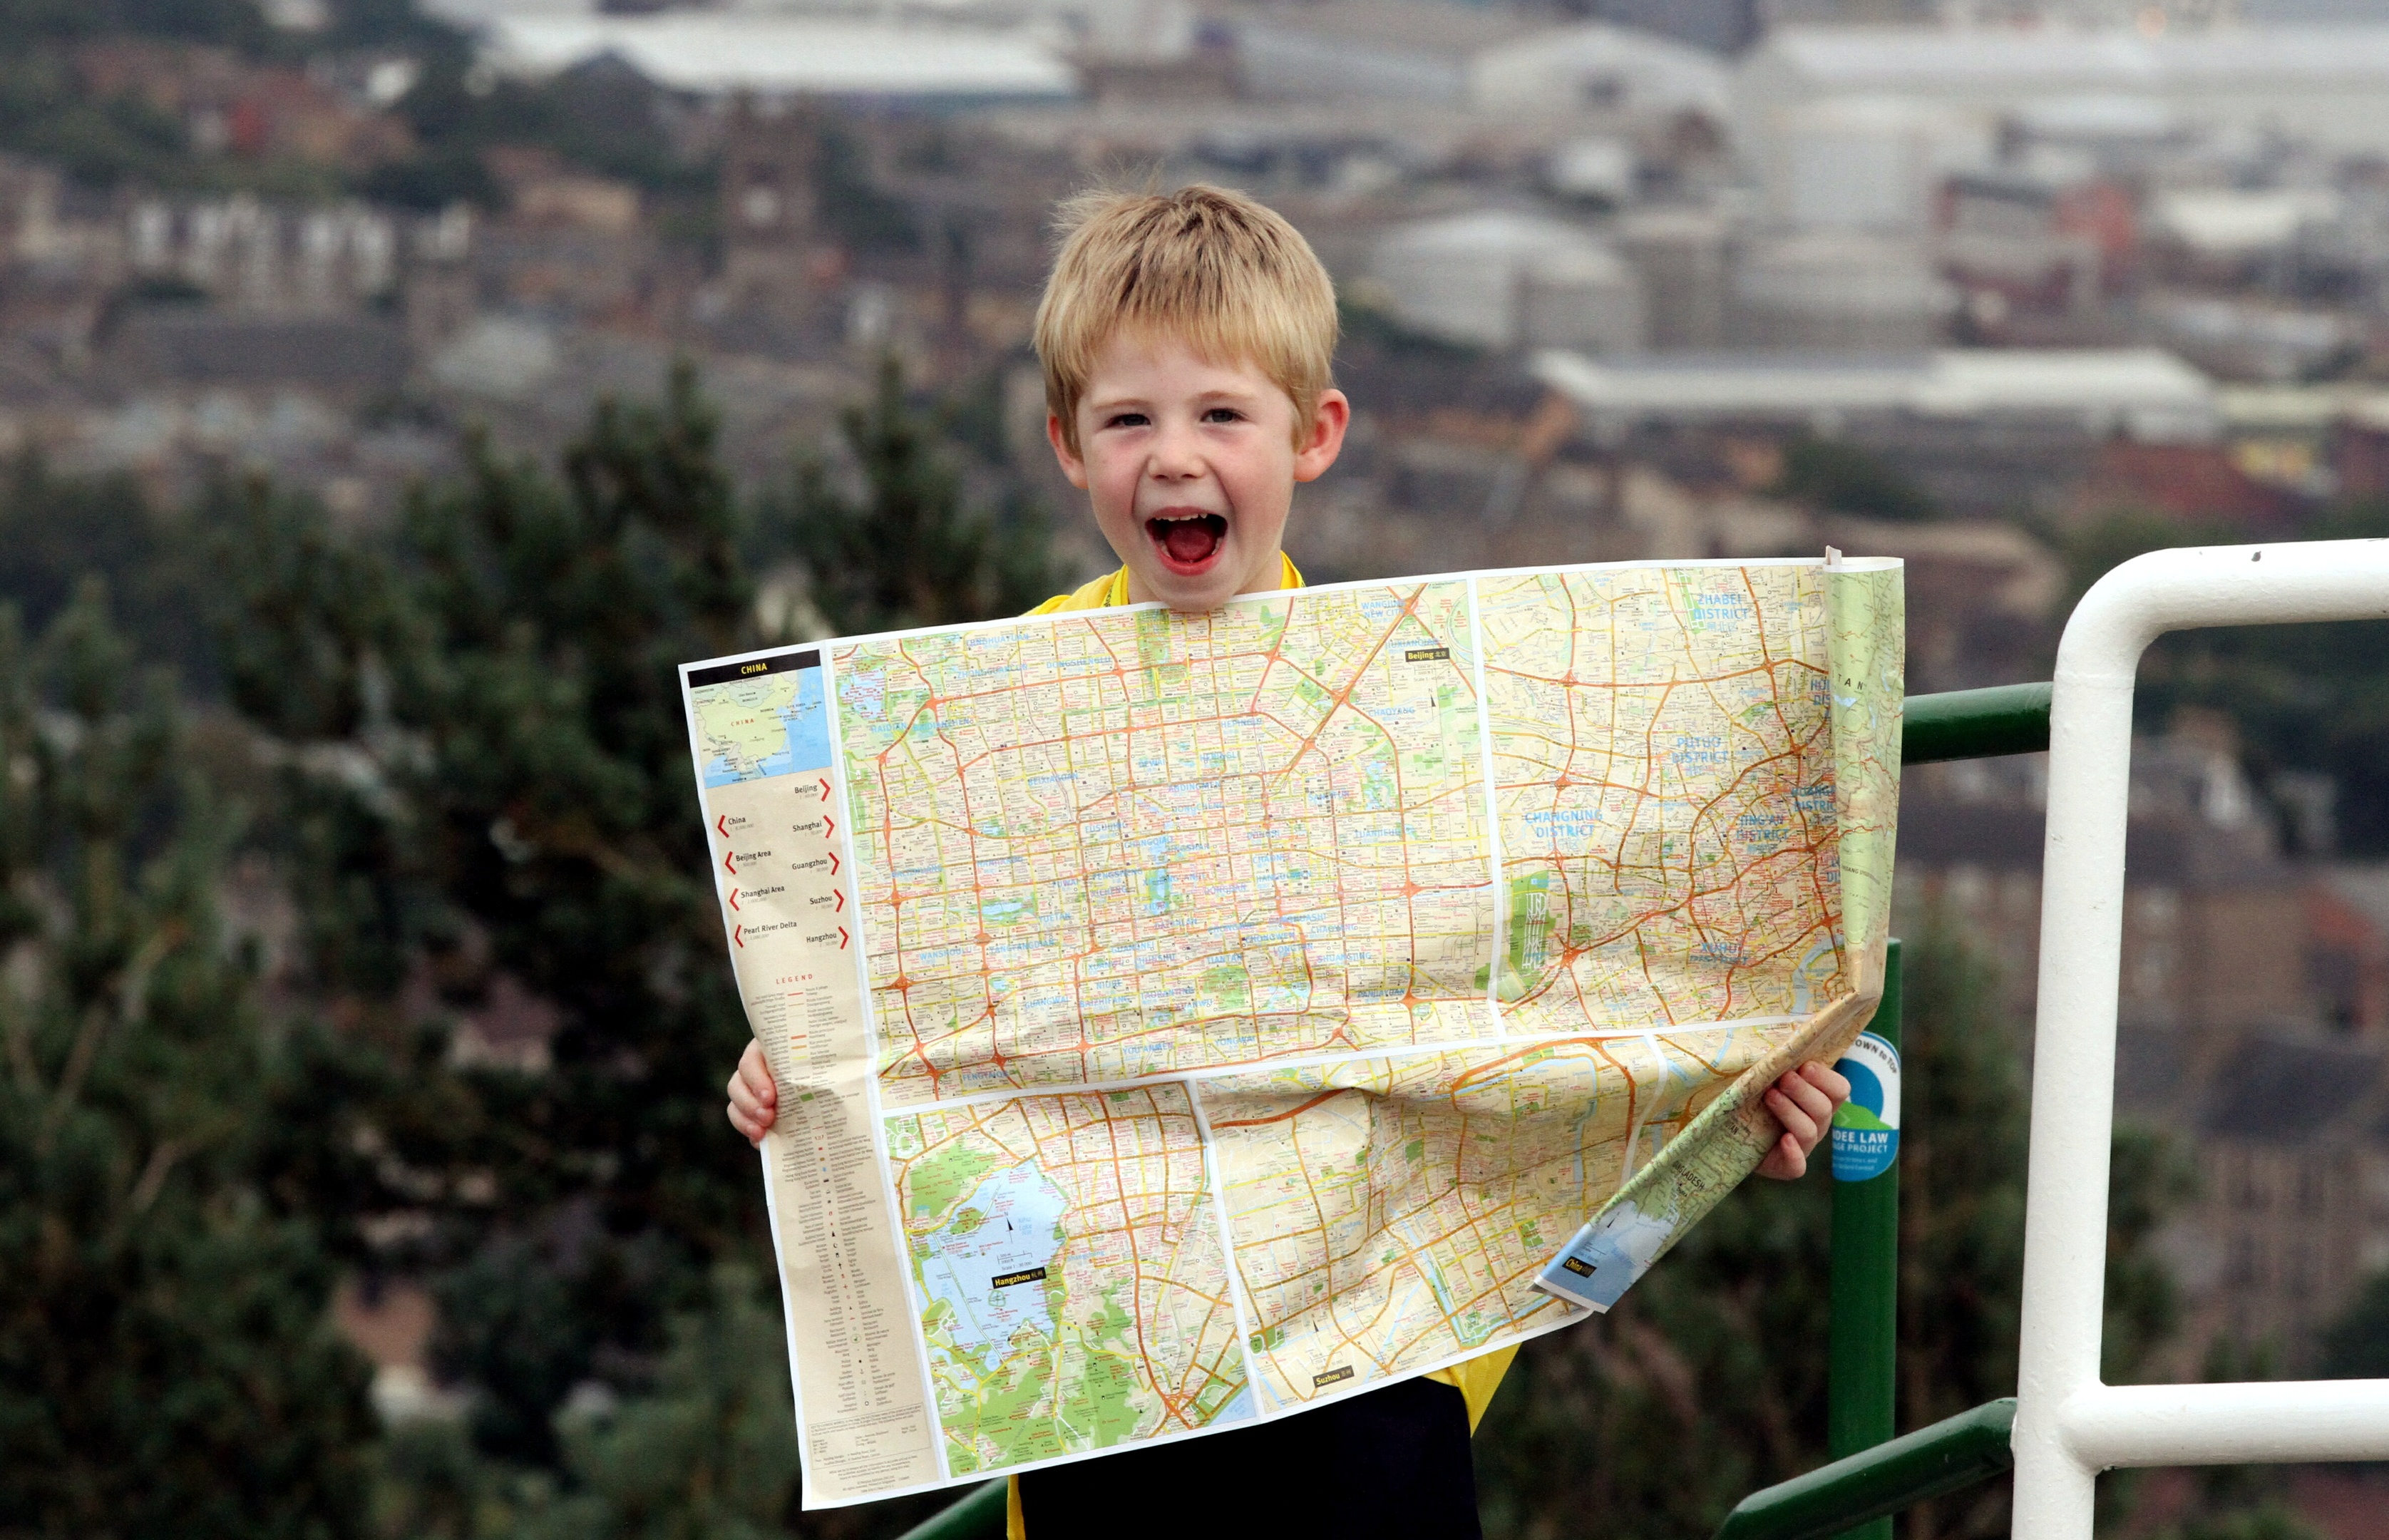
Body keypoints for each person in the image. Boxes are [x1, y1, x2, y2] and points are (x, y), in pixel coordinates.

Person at [723, 183, 1852, 1539]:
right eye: (1129, 419)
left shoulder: (1418, 705)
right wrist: (798, 1069)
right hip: (1112, 1404)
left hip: (1378, 1395)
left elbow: (1562, 999)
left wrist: (1734, 1106)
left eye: (1220, 416)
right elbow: (923, 1015)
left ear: (1312, 436)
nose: (1175, 457)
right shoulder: (992, 711)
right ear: (1067, 448)